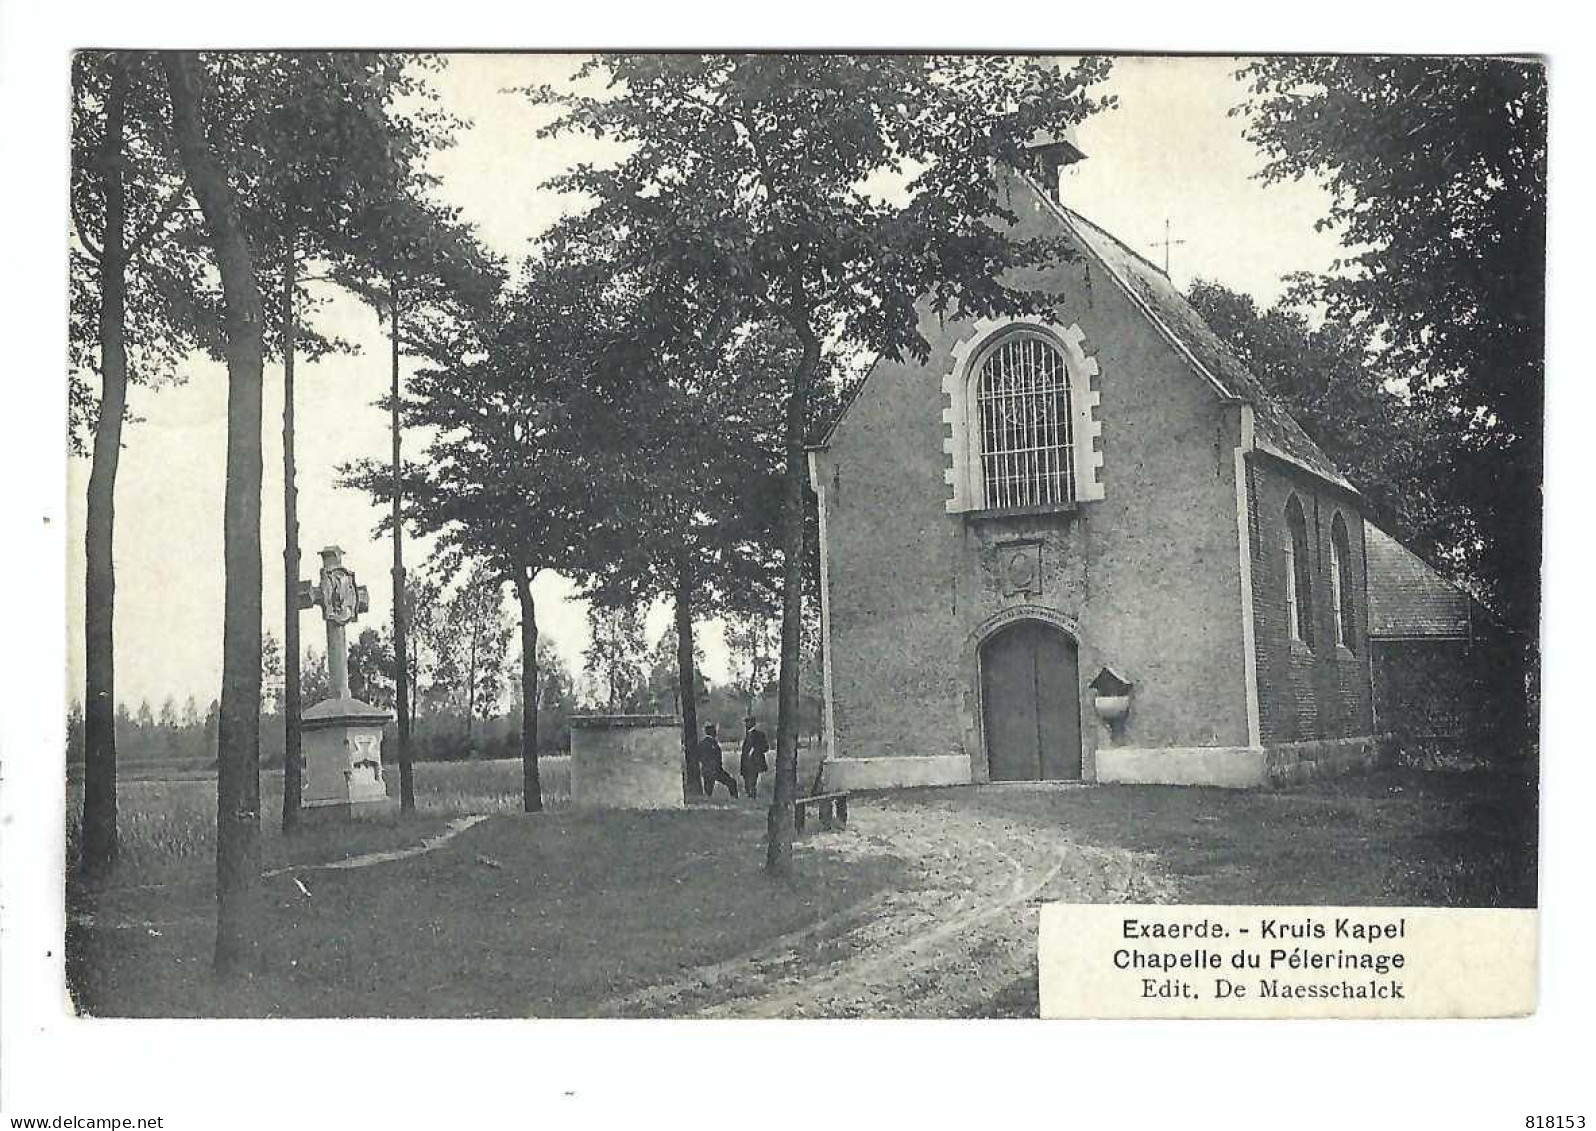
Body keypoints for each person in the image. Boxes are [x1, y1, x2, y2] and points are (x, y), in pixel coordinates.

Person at [695, 722, 738, 799]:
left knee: (709, 790)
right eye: (714, 730)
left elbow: (698, 757)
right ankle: (734, 798)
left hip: (709, 770)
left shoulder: (704, 743)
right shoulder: (709, 743)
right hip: (714, 770)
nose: (715, 732)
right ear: (711, 732)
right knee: (731, 782)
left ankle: (709, 801)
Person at [740, 715, 770, 799]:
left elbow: (766, 747)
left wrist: (755, 750)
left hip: (755, 762)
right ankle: (749, 794)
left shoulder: (759, 735)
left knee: (752, 781)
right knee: (747, 780)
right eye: (746, 722)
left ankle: (752, 795)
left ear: (753, 723)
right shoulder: (747, 735)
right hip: (746, 763)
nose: (746, 724)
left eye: (748, 722)